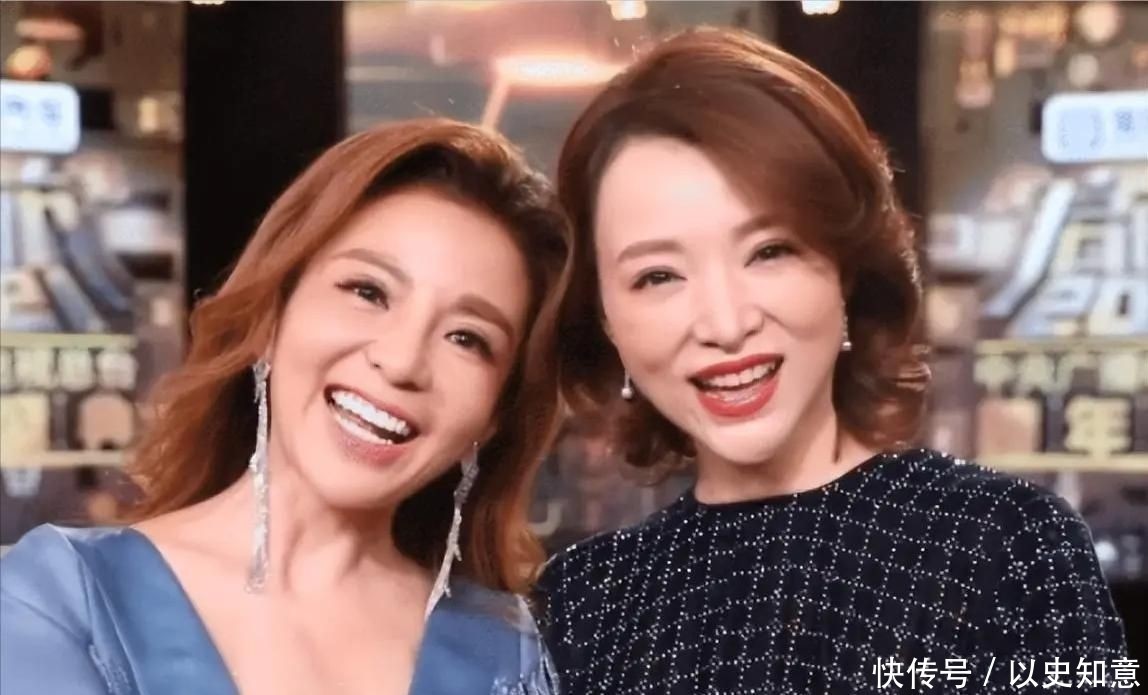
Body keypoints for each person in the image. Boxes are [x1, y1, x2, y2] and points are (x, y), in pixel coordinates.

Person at [537, 27, 1128, 693]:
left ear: (845, 268)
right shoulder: (583, 603)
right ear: (605, 318)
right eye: (658, 276)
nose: (726, 324)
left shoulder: (1008, 544)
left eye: (769, 251)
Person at [1, 119, 570, 695]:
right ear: (271, 316)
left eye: (467, 339)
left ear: (495, 413)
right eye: (368, 292)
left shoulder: (511, 654)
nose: (401, 361)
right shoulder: (65, 600)